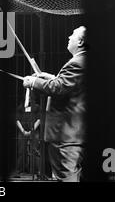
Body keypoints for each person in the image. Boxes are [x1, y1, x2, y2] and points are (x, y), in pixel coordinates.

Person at [23, 26, 87, 182]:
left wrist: (34, 82)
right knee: (75, 173)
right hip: (76, 131)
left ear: (79, 41)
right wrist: (51, 77)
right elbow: (71, 85)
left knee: (66, 175)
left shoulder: (77, 63)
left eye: (72, 34)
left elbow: (59, 88)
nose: (68, 37)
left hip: (66, 134)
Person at [15, 101, 40, 177]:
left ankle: (36, 171)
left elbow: (39, 119)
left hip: (34, 131)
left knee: (35, 151)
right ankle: (19, 171)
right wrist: (23, 131)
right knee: (21, 151)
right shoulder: (21, 106)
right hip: (22, 131)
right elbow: (17, 119)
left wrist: (32, 130)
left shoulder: (37, 107)